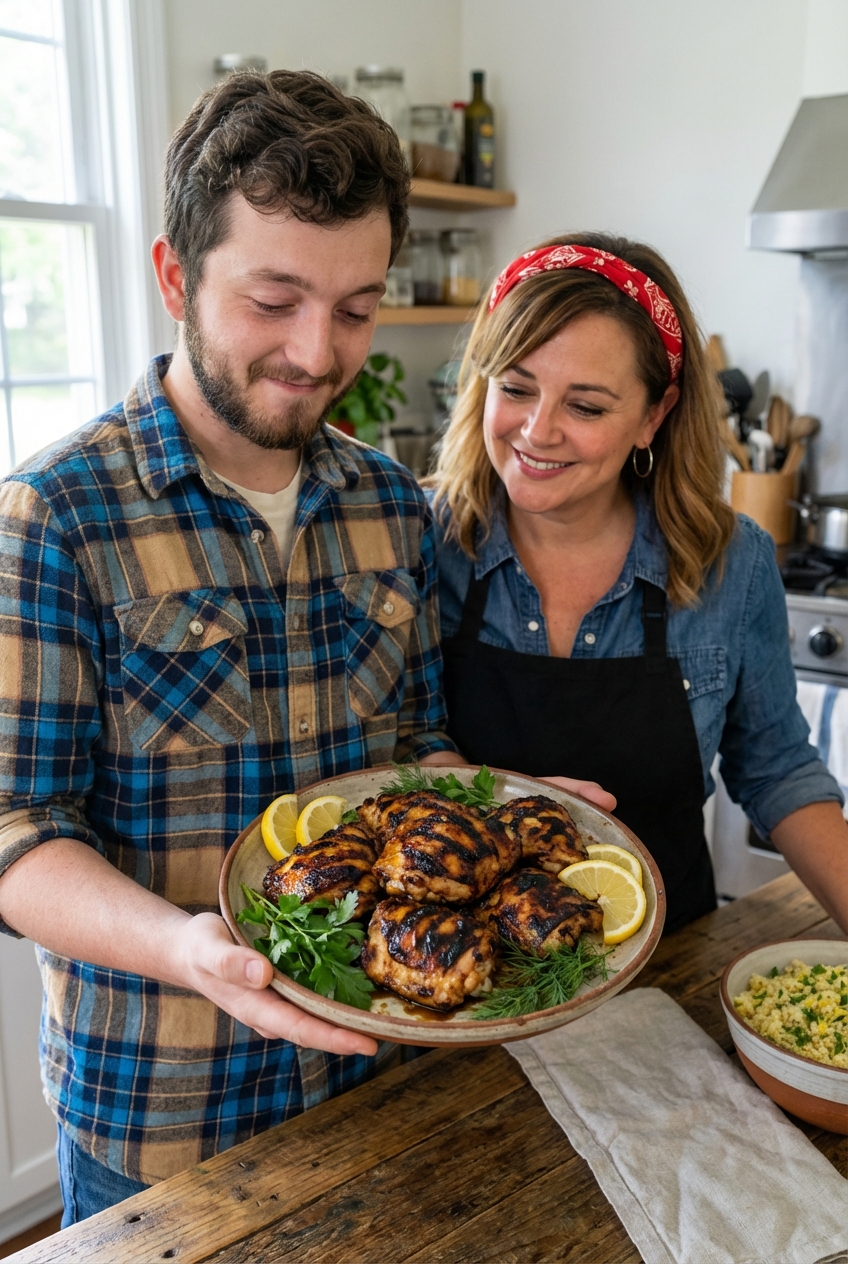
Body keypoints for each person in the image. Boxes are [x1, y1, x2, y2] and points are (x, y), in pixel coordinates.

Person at [0, 70, 485, 1223]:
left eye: (355, 308)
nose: (318, 352)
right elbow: (17, 832)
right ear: (175, 275)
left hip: (380, 1071)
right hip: (166, 1117)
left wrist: (494, 816)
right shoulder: (55, 515)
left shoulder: (389, 503)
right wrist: (190, 948)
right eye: (274, 300)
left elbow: (412, 743)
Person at [428, 233, 848, 936]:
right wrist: (495, 800)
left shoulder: (732, 563)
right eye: (516, 388)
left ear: (654, 414)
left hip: (666, 955)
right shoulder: (419, 541)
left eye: (586, 407)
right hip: (457, 968)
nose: (537, 431)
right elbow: (393, 747)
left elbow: (777, 768)